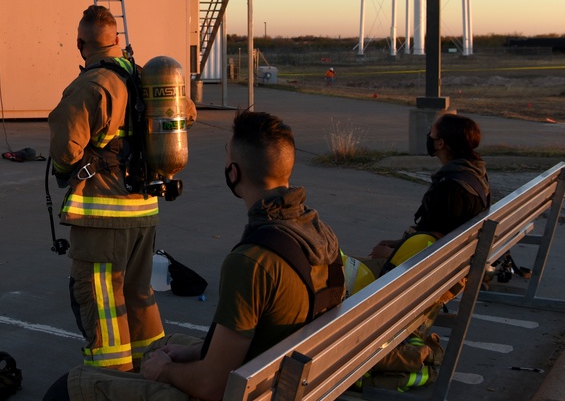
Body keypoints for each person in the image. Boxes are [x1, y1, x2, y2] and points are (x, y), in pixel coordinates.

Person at [44, 110, 342, 401]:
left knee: (71, 387)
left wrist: (166, 372)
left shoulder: (253, 261)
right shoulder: (317, 232)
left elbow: (211, 386)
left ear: (233, 172)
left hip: (251, 389)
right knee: (160, 349)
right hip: (281, 377)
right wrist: (189, 355)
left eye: (227, 155)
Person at [49, 5, 198, 373]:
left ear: (80, 43)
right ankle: (154, 370)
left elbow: (65, 149)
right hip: (143, 210)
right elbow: (187, 113)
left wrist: (67, 168)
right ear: (117, 40)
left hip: (102, 216)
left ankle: (110, 381)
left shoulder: (92, 84)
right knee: (137, 294)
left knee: (101, 303)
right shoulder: (145, 75)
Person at [369, 113, 490, 266]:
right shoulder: (475, 174)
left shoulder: (450, 189)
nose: (428, 136)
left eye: (431, 133)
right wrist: (400, 243)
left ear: (440, 143)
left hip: (432, 274)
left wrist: (390, 254)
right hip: (455, 263)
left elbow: (435, 248)